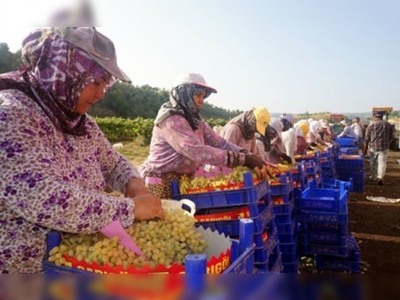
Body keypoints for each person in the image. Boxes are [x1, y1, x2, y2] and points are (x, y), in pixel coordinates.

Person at [0, 27, 165, 273]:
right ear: (64, 72)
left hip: (76, 265)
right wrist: (130, 209)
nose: (100, 94)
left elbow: (113, 162)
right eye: (95, 82)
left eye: (105, 84)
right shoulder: (11, 114)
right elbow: (44, 198)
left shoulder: (79, 122)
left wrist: (133, 183)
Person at [139, 73, 267, 198]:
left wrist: (247, 154)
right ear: (184, 92)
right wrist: (242, 159)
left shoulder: (195, 120)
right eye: (198, 95)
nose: (202, 101)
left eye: (204, 96)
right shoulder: (171, 119)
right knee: (166, 216)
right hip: (161, 182)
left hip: (182, 180)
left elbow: (220, 143)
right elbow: (195, 150)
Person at [364, 111, 393, 186]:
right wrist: (387, 142)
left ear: (375, 116)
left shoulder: (372, 125)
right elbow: (391, 136)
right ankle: (380, 176)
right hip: (384, 147)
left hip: (374, 146)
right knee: (382, 162)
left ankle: (374, 176)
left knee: (373, 162)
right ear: (382, 116)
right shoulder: (387, 124)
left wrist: (366, 147)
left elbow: (367, 137)